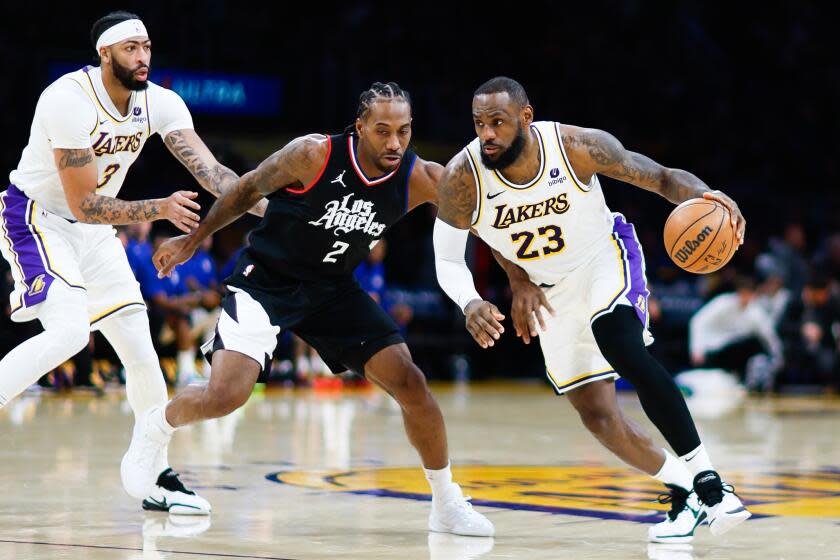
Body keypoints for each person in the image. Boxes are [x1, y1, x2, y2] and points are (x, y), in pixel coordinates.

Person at [126, 82, 494, 537]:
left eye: (404, 130)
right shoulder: (312, 155)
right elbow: (244, 191)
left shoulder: (421, 177)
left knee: (411, 382)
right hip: (266, 281)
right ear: (359, 128)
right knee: (226, 396)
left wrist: (516, 280)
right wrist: (192, 240)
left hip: (332, 289)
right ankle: (155, 427)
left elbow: (485, 221)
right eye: (383, 131)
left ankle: (446, 502)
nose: (395, 142)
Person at [432, 77, 750, 544]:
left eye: (498, 122)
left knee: (617, 340)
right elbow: (449, 255)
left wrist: (708, 197)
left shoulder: (576, 147)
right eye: (479, 123)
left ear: (526, 117)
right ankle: (686, 493)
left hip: (604, 258)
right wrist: (478, 296)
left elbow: (660, 177)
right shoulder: (463, 176)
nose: (488, 134)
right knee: (597, 416)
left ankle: (709, 482)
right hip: (549, 291)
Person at [0, 11, 263, 515]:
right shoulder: (66, 100)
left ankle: (154, 472)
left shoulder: (160, 102)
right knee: (69, 333)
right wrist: (159, 208)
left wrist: (276, 210)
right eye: (130, 49)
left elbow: (212, 173)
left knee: (140, 348)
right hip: (38, 218)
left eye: (146, 47)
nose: (142, 57)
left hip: (96, 235)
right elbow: (82, 204)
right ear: (105, 54)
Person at [689, 276, 784, 391]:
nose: (745, 298)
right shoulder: (722, 303)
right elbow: (698, 321)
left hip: (735, 353)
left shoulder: (755, 311)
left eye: (749, 294)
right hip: (713, 351)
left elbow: (768, 335)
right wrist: (696, 349)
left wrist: (778, 357)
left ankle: (747, 383)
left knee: (754, 343)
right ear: (738, 292)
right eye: (743, 293)